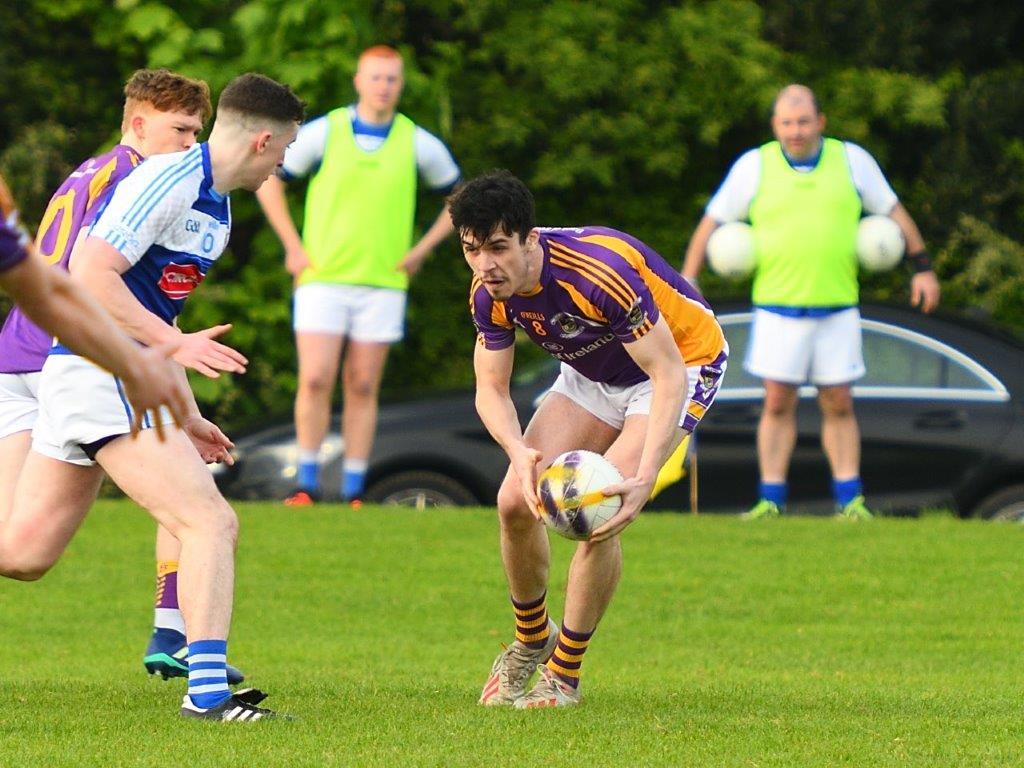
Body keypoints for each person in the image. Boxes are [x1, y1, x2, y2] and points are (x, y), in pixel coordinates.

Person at [0, 72, 304, 721]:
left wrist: (186, 411)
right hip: (93, 373)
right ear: (264, 140)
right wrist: (178, 344)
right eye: (284, 151)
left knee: (22, 556)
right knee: (211, 521)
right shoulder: (166, 178)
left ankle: (193, 663)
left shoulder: (218, 209)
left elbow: (152, 315)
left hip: (104, 376)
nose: (283, 164)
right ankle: (209, 695)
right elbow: (88, 276)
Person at [449, 170, 728, 709]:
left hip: (680, 365)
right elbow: (490, 387)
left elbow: (668, 373)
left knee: (596, 508)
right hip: (596, 373)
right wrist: (517, 450)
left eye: (500, 248)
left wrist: (644, 476)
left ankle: (564, 675)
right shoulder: (490, 293)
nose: (486, 265)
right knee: (513, 502)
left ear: (530, 239)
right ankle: (532, 639)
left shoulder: (599, 273)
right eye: (472, 250)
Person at [681, 84, 941, 520]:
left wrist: (924, 267)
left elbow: (894, 211)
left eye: (803, 122)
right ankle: (771, 500)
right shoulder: (755, 165)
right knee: (777, 402)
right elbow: (713, 220)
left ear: (820, 122)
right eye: (787, 122)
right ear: (775, 126)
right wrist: (689, 278)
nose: (795, 131)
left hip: (837, 308)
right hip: (777, 310)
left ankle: (850, 500)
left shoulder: (852, 160)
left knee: (839, 402)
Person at [256, 44, 460, 506]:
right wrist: (293, 246)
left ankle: (353, 488)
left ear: (400, 85)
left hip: (383, 282)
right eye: (376, 77)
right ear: (358, 81)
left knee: (363, 384)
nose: (384, 87)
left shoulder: (417, 142)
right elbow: (270, 178)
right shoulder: (325, 132)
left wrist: (421, 250)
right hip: (323, 277)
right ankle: (306, 483)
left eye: (392, 79)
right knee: (315, 378)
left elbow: (458, 196)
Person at [0, 221, 191, 435]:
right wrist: (136, 365)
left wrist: (134, 365)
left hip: (16, 353)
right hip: (54, 357)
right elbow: (61, 284)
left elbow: (42, 287)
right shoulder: (123, 189)